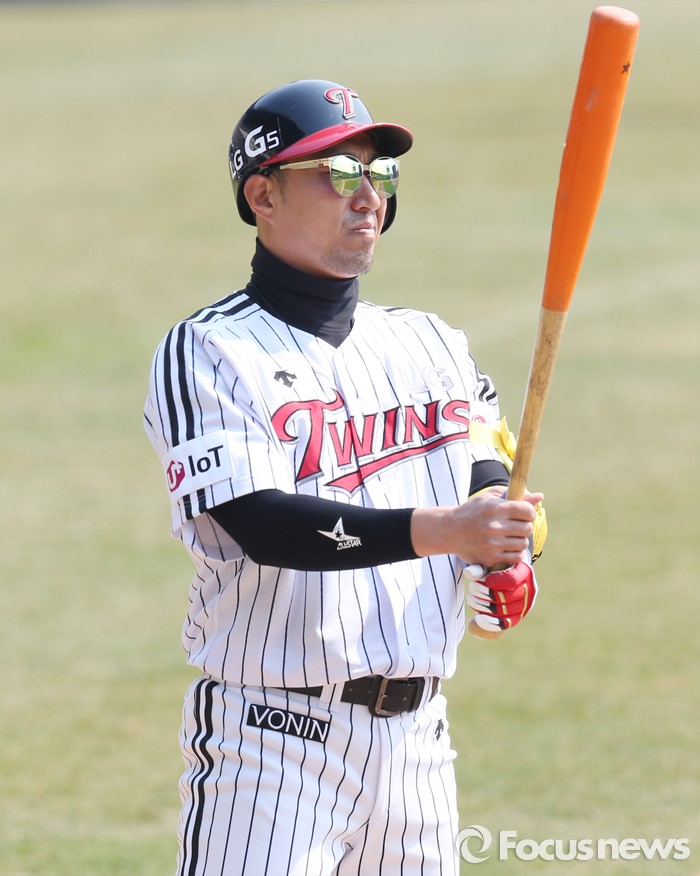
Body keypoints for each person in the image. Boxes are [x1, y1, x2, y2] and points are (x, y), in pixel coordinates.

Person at [144, 79, 547, 876]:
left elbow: (489, 479)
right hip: (271, 749)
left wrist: (508, 552)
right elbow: (264, 524)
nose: (367, 195)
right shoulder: (210, 351)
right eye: (336, 173)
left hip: (418, 748)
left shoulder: (433, 343)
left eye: (379, 173)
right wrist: (445, 532)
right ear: (263, 195)